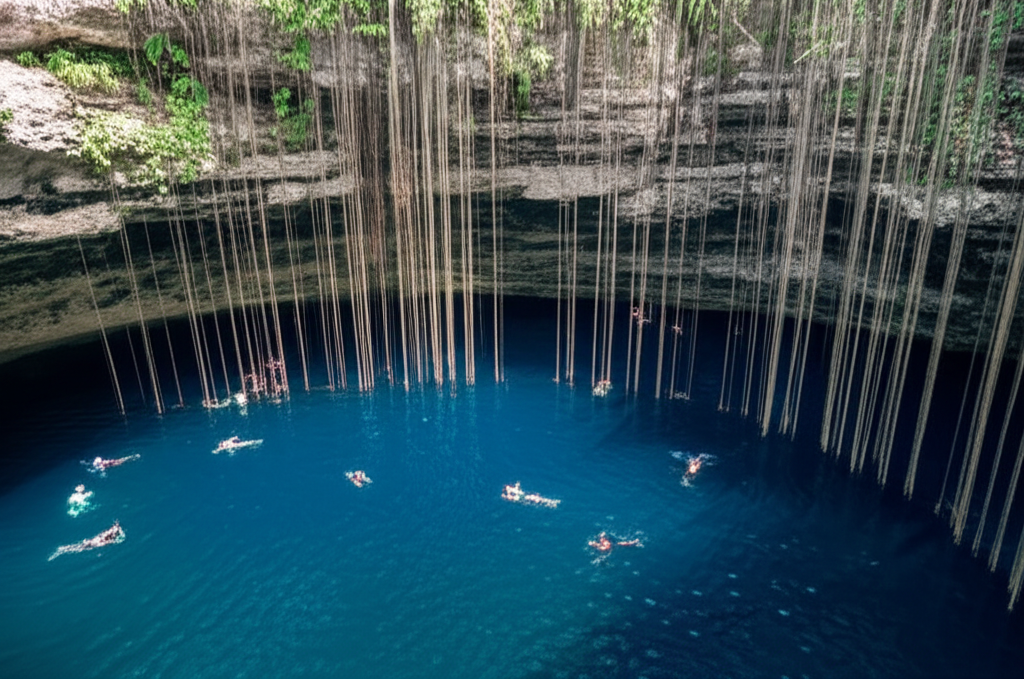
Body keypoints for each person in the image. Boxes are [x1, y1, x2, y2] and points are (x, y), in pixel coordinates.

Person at [49, 521, 125, 560]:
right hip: (94, 542)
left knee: (78, 548)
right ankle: (63, 550)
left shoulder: (108, 535)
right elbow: (111, 539)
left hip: (94, 541)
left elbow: (107, 538)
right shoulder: (110, 536)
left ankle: (63, 550)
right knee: (78, 548)